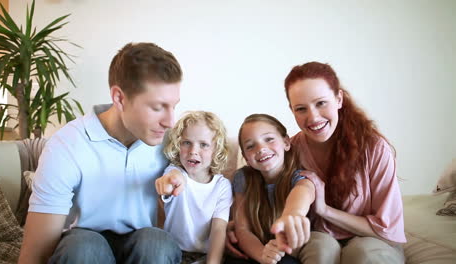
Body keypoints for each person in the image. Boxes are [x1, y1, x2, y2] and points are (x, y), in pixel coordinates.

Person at [18, 42, 186, 264]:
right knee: (84, 247)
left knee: (157, 243)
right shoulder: (66, 146)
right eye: (157, 107)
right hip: (82, 247)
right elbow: (36, 252)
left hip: (143, 249)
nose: (170, 122)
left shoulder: (168, 140)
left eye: (173, 106)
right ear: (119, 98)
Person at [284, 61, 406, 263]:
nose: (313, 117)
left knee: (365, 255)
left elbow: (387, 229)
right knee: (321, 252)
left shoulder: (375, 148)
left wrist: (325, 211)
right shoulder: (292, 149)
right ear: (292, 110)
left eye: (321, 103)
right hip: (320, 237)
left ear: (338, 99)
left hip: (373, 238)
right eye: (301, 108)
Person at [225, 114, 315, 264]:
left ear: (286, 142)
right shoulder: (243, 177)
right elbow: (242, 229)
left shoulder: (299, 176)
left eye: (269, 139)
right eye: (250, 146)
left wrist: (293, 213)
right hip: (256, 250)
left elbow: (304, 191)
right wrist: (262, 255)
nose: (261, 149)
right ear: (246, 158)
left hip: (287, 250)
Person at [155, 111, 233, 264]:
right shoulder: (174, 172)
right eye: (186, 143)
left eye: (203, 145)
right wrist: (171, 181)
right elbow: (172, 178)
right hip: (172, 252)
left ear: (216, 150)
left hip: (204, 256)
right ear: (178, 145)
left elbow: (218, 230)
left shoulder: (222, 186)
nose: (193, 151)